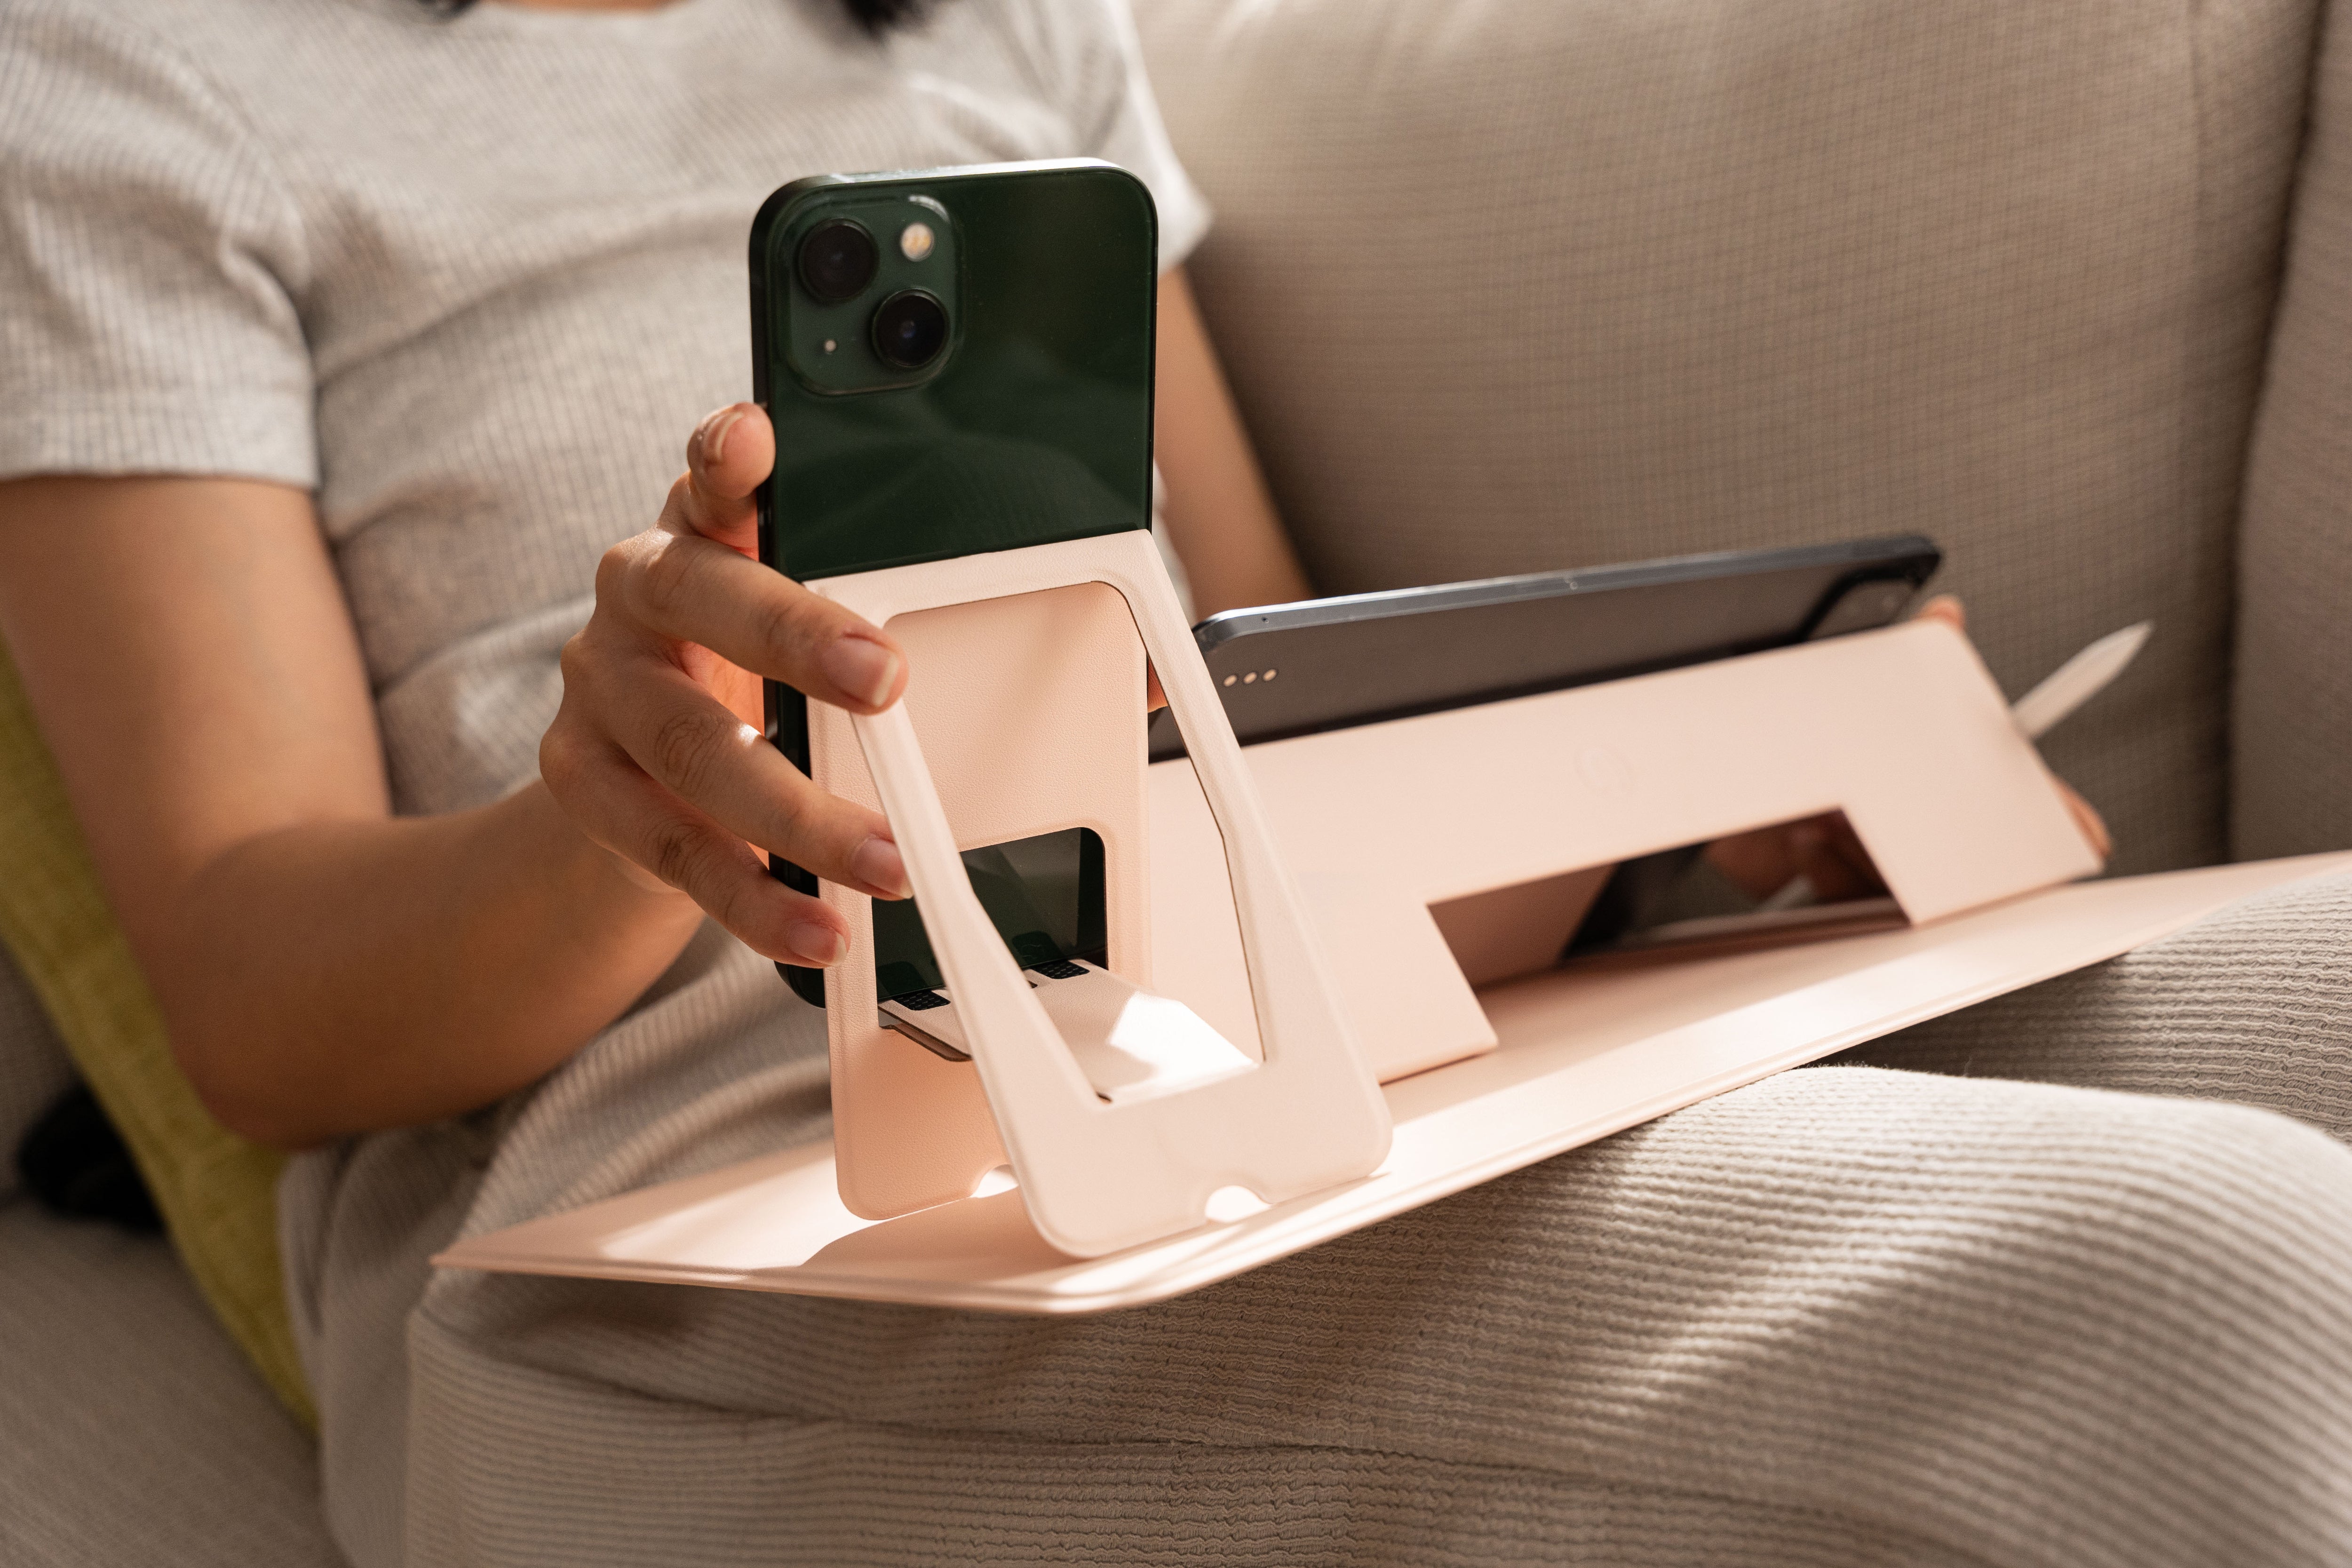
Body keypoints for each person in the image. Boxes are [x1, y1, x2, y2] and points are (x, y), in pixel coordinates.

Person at [4, 0, 2352, 1563]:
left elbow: (1243, 724)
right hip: (673, 1219)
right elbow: (255, 1012)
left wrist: (1651, 815)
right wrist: (648, 802)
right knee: (2197, 1292)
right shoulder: (116, 73)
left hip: (1219, 1048)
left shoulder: (988, 19)